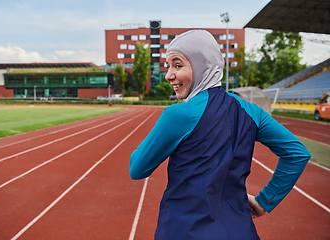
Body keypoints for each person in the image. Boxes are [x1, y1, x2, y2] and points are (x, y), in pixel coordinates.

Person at [129, 30, 311, 240]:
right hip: (241, 231)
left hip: (184, 231)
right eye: (168, 66)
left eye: (177, 65)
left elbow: (137, 169)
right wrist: (264, 201)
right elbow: (297, 153)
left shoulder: (177, 114)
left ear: (202, 65)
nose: (169, 75)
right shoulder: (252, 111)